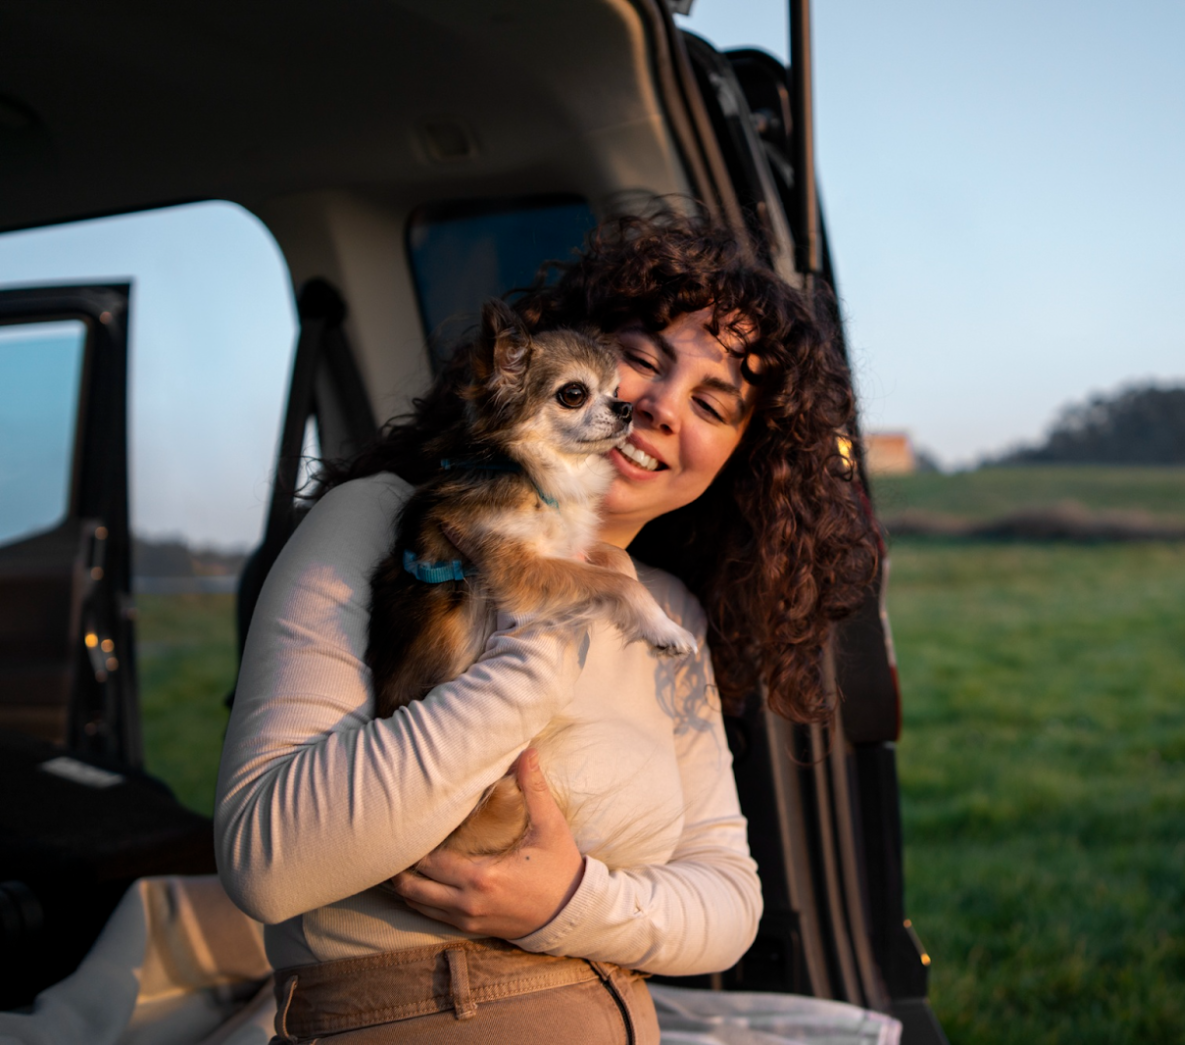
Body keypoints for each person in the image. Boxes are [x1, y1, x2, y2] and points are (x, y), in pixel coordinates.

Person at [214, 212, 880, 1043]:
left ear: (739, 460)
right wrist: (540, 637)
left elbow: (728, 900)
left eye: (713, 403)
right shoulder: (380, 522)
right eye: (641, 359)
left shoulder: (668, 611)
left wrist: (567, 901)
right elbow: (267, 864)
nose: (661, 407)